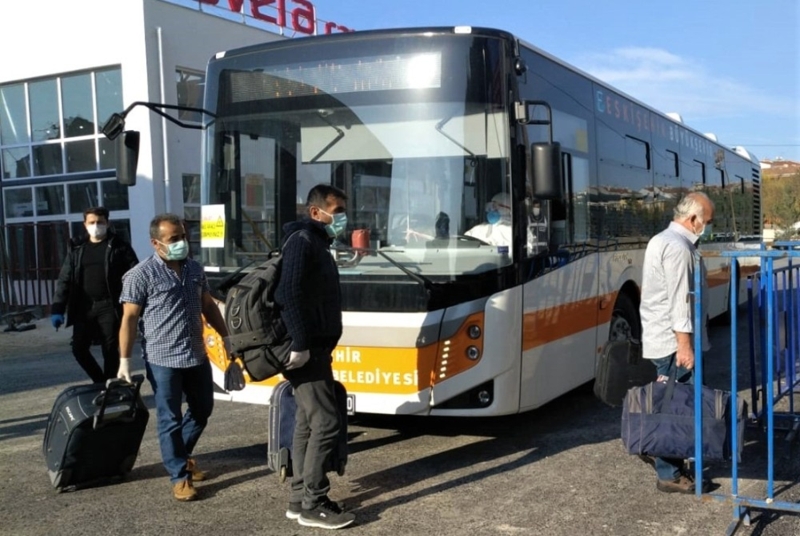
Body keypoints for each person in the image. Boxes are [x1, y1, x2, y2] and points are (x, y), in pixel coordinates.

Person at [117, 213, 229, 502]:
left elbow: (208, 306)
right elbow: (129, 318)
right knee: (170, 418)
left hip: (196, 354)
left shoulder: (194, 269)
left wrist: (227, 337)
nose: (182, 242)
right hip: (162, 358)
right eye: (174, 239)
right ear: (156, 243)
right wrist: (124, 361)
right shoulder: (140, 275)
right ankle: (180, 477)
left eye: (183, 236)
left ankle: (182, 455)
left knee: (202, 409)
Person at [275, 184, 356, 530]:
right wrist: (300, 342)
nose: (342, 218)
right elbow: (288, 293)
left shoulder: (316, 243)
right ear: (315, 212)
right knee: (326, 422)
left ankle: (299, 499)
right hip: (307, 350)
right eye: (337, 212)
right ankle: (314, 502)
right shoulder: (303, 242)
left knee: (308, 423)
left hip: (315, 348)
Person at [639, 192, 714, 494]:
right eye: (707, 221)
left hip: (665, 339)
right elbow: (680, 301)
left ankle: (655, 449)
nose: (707, 227)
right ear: (693, 218)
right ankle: (668, 471)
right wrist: (684, 346)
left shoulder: (664, 240)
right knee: (678, 405)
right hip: (674, 344)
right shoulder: (678, 248)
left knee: (670, 400)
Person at [51, 206, 139, 383]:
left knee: (110, 349)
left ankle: (110, 386)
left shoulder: (119, 247)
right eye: (92, 222)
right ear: (85, 224)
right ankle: (99, 382)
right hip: (84, 307)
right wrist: (57, 308)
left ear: (107, 223)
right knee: (78, 348)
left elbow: (135, 275)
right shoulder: (77, 248)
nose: (96, 226)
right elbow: (65, 279)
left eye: (100, 222)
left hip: (110, 305)